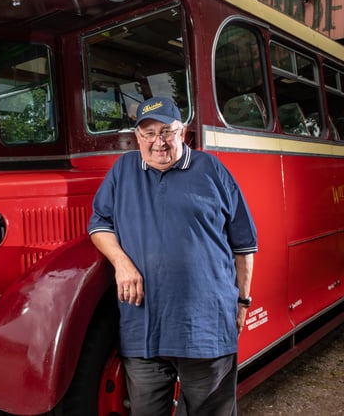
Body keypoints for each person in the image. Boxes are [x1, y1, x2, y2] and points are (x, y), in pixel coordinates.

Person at [88, 96, 257, 415]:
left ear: (183, 131)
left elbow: (244, 244)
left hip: (205, 326)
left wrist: (243, 301)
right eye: (148, 133)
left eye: (166, 131)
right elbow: (99, 223)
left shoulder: (212, 170)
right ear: (138, 137)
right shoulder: (123, 170)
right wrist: (122, 264)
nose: (158, 142)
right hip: (143, 325)